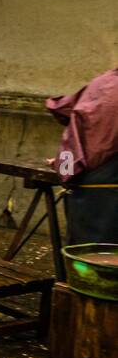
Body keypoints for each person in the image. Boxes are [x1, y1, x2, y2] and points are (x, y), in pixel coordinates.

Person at [47, 67, 118, 245]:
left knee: (86, 256)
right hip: (104, 187)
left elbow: (59, 107)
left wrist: (60, 164)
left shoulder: (102, 82)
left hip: (82, 181)